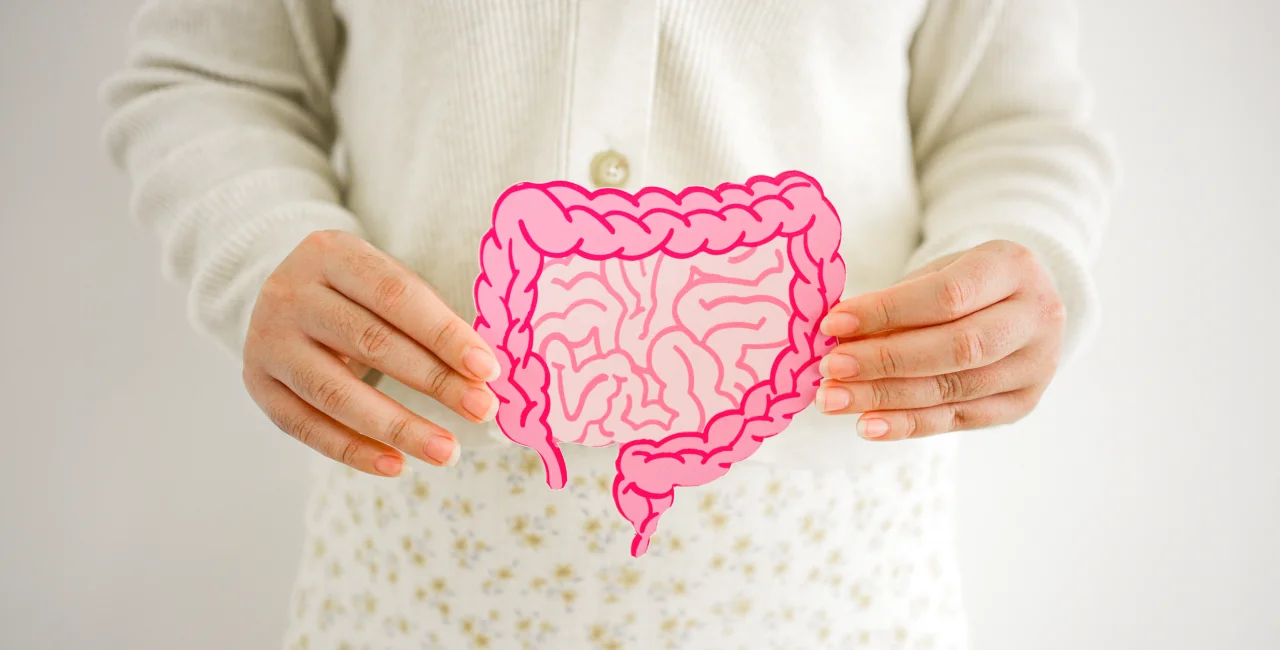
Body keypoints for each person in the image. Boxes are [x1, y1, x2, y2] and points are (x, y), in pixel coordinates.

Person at [102, 1, 1114, 648]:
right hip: (424, 564)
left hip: (822, 576)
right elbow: (211, 76)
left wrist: (1017, 257)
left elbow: (1007, 115)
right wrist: (259, 244)